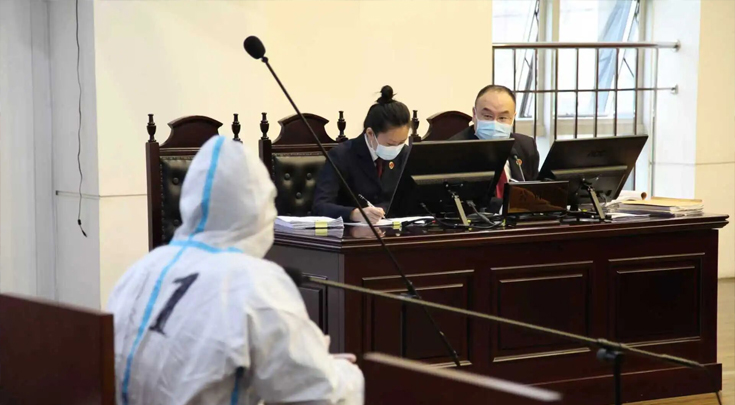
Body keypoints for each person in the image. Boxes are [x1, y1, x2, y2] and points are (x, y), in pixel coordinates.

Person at [107, 136, 363, 405]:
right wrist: (340, 371)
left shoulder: (140, 270)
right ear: (258, 206)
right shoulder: (256, 283)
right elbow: (321, 396)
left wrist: (308, 360)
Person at [313, 85, 410, 224]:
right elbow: (320, 206)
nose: (396, 148)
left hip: (395, 230)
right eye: (390, 144)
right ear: (370, 133)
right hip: (352, 233)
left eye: (401, 142)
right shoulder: (342, 155)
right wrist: (354, 214)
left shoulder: (404, 154)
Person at [450, 84, 540, 212]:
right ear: (474, 114)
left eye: (502, 118)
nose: (495, 123)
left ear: (513, 118)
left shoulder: (525, 145)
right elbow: (462, 202)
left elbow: (535, 188)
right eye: (487, 116)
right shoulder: (455, 150)